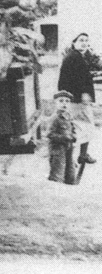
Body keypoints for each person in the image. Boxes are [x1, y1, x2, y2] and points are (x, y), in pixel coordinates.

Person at [57, 33, 97, 164]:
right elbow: (75, 80)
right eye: (81, 40)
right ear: (74, 42)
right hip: (77, 101)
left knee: (80, 127)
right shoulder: (74, 57)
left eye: (86, 40)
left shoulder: (76, 56)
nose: (84, 43)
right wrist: (84, 94)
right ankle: (75, 157)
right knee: (80, 127)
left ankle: (81, 156)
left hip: (76, 99)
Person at [47, 90, 77, 184]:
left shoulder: (68, 117)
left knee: (70, 171)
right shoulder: (55, 118)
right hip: (57, 149)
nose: (64, 103)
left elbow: (73, 129)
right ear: (55, 103)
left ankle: (70, 186)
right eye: (61, 101)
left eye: (67, 101)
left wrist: (74, 136)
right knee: (58, 172)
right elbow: (50, 134)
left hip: (68, 148)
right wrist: (64, 138)